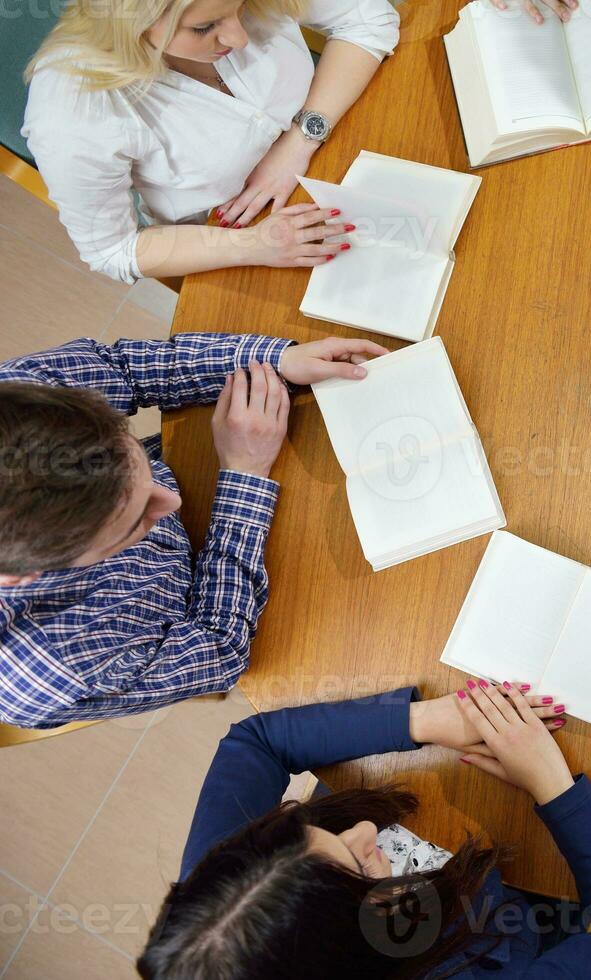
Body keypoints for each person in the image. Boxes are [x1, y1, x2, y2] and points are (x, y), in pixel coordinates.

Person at [138, 679, 591, 978]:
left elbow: (256, 742)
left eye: (305, 829)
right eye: (361, 862)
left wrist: (423, 721)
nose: (366, 827)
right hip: (536, 912)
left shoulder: (230, 898)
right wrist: (554, 787)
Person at [0, 333, 386, 727]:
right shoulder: (48, 674)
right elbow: (218, 648)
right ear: (24, 575)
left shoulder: (18, 397)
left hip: (214, 468)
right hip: (240, 596)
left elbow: (125, 369)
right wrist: (243, 476)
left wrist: (274, 360)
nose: (170, 499)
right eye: (135, 521)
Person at [22, 0, 399, 283]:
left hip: (338, 133)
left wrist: (298, 141)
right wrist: (257, 245)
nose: (238, 37)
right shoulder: (71, 112)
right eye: (204, 27)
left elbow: (367, 19)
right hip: (240, 234)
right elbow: (112, 250)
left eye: (239, 6)